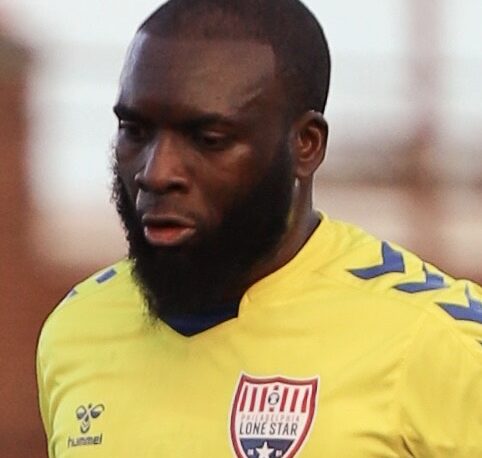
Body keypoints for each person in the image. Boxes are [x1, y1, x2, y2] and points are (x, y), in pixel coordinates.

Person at [36, 0, 482, 457]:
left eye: (208, 139)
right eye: (136, 131)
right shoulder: (77, 330)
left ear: (306, 145)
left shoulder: (435, 341)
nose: (157, 172)